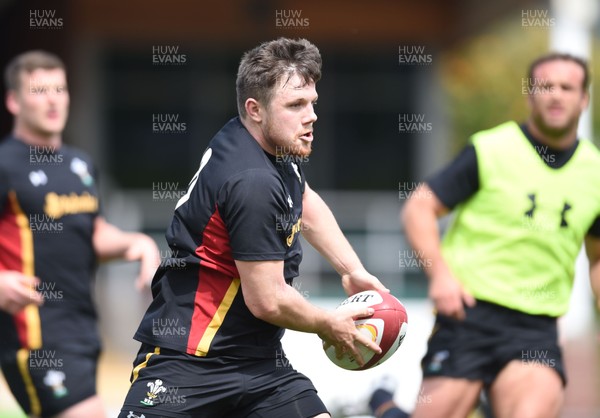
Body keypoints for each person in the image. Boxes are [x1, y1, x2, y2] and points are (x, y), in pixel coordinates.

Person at [118, 37, 388, 418]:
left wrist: (352, 270)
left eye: (312, 102)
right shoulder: (252, 181)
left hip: (263, 367)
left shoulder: (264, 142)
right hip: (190, 365)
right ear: (255, 109)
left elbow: (304, 200)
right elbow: (268, 299)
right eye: (295, 105)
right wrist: (328, 323)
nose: (310, 115)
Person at [401, 52, 600, 418]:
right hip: (468, 315)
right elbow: (419, 206)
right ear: (529, 96)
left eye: (567, 87)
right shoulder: (490, 149)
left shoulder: (596, 173)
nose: (556, 95)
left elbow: (598, 257)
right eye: (545, 86)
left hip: (535, 328)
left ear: (584, 98)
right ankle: (383, 405)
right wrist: (440, 275)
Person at [0, 50, 161, 418]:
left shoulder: (79, 165)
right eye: (40, 90)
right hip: (35, 335)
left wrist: (136, 243)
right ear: (13, 100)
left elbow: (92, 234)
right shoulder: (5, 165)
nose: (54, 99)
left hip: (84, 331)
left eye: (60, 88)